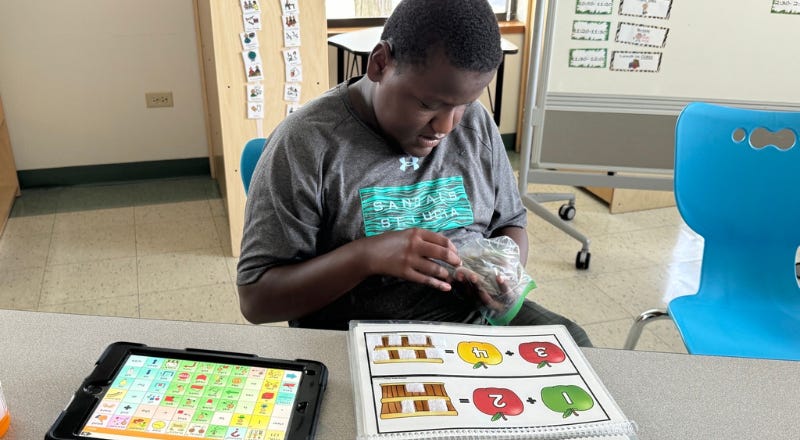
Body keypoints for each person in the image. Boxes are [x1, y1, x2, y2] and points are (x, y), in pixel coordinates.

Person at [237, 0, 591, 346]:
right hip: (359, 338)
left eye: (464, 105)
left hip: (473, 327)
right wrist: (366, 257)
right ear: (380, 64)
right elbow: (256, 300)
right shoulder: (307, 143)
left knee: (577, 345)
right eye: (428, 104)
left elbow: (510, 224)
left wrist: (502, 276)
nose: (445, 127)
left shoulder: (477, 127)